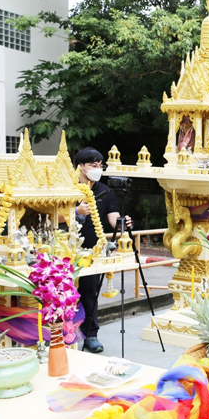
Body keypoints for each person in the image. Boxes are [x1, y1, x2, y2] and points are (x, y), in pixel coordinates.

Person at [74, 147, 132, 353]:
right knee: (65, 293)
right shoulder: (67, 188)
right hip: (66, 249)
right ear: (80, 166)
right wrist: (76, 212)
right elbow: (54, 215)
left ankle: (91, 335)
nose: (97, 169)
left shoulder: (105, 191)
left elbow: (112, 218)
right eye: (93, 165)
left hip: (92, 250)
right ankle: (63, 335)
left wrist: (122, 223)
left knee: (89, 292)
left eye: (100, 166)